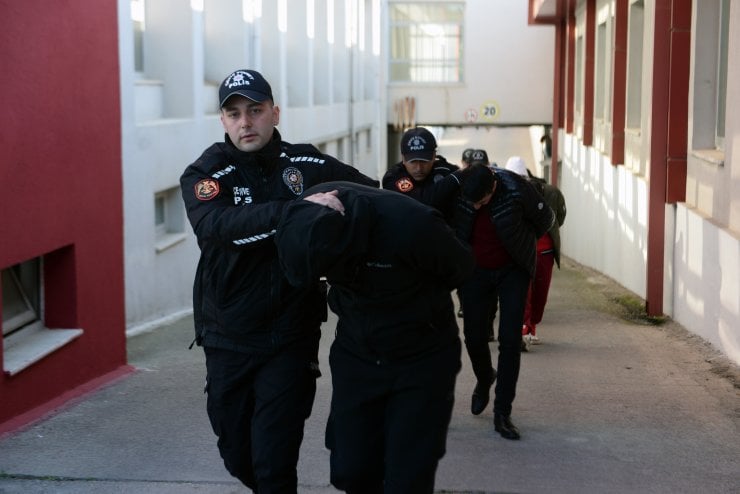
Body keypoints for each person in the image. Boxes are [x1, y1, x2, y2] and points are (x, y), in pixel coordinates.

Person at [179, 68, 378, 492]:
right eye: (233, 114)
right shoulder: (206, 174)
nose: (245, 122)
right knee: (237, 454)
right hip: (228, 336)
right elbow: (219, 227)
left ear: (275, 112)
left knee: (274, 463)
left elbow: (371, 197)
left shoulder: (309, 164)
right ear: (222, 122)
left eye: (255, 110)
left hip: (291, 337)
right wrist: (299, 212)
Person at [275, 181, 475, 493]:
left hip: (422, 356)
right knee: (351, 471)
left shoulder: (413, 224)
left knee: (407, 478)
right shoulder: (306, 212)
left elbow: (460, 268)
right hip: (358, 354)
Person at [454, 164, 554, 440]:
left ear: (494, 187)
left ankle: (502, 411)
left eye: (481, 202)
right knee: (474, 336)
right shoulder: (463, 187)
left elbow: (545, 220)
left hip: (513, 271)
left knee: (509, 340)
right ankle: (485, 376)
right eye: (471, 202)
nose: (475, 207)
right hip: (475, 271)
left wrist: (520, 242)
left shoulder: (517, 188)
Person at [504, 156, 567, 349]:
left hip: (544, 252)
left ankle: (531, 326)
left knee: (540, 294)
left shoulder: (549, 193)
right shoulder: (503, 193)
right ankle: (524, 329)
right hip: (519, 252)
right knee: (524, 292)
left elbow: (559, 217)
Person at [382, 126, 461, 220]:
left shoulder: (446, 171)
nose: (419, 168)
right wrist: (454, 179)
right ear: (403, 158)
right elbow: (418, 203)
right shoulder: (393, 177)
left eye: (424, 161)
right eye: (413, 161)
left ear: (434, 156)